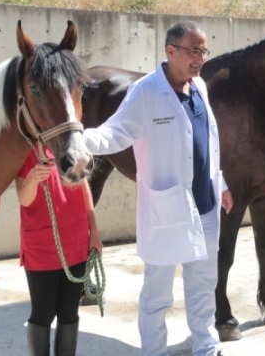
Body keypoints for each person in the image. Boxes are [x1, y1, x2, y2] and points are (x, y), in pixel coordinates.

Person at [83, 21, 234, 356]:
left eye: (203, 51)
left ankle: (207, 348)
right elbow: (116, 133)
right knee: (157, 296)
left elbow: (207, 142)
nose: (200, 58)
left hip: (206, 206)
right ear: (170, 51)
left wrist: (220, 182)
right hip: (168, 209)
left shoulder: (199, 87)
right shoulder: (146, 92)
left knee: (203, 287)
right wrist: (78, 140)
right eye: (193, 50)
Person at [17, 149, 103, 356]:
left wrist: (94, 232)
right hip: (41, 246)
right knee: (43, 313)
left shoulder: (71, 146)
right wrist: (33, 178)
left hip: (76, 240)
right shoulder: (25, 153)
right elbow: (24, 199)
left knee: (69, 312)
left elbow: (84, 186)